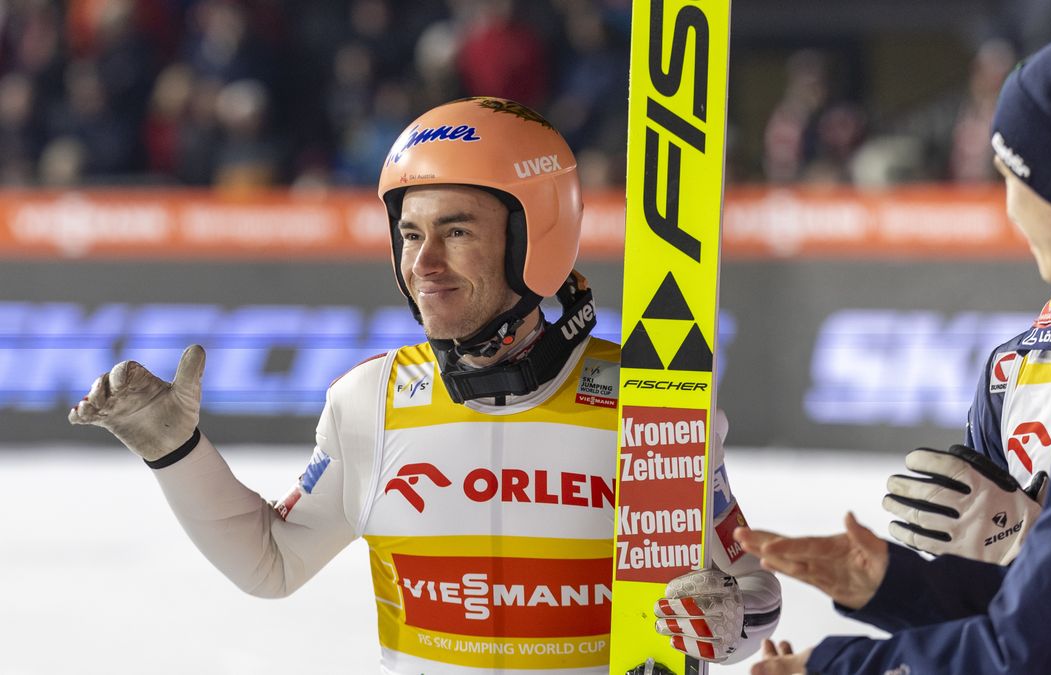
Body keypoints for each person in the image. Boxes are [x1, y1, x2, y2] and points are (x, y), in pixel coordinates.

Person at [68, 96, 781, 673]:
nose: (424, 262)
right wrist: (175, 451)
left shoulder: (643, 397)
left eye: (458, 231)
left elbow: (748, 587)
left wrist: (726, 620)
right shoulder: (368, 402)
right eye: (410, 235)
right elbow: (272, 563)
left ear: (537, 238)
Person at [737, 26, 1051, 674]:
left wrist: (836, 667)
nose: (1008, 206)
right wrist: (896, 587)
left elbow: (1049, 650)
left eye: (1009, 173)